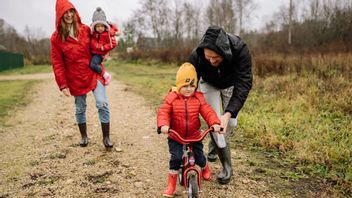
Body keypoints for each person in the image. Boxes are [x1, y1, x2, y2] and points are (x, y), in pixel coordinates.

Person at [189, 25, 253, 184]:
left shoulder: (240, 49)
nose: (211, 61)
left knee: (230, 122)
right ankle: (227, 167)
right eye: (208, 57)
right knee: (216, 124)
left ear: (224, 52)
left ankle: (215, 143)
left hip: (230, 84)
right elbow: (189, 80)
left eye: (215, 57)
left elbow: (244, 83)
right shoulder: (197, 54)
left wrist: (228, 113)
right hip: (208, 83)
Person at [51, 0, 113, 148]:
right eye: (65, 12)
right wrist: (62, 84)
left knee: (102, 103)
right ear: (60, 15)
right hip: (75, 78)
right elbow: (57, 63)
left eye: (71, 11)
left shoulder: (86, 29)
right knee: (80, 108)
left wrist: (105, 52)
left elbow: (102, 37)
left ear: (75, 12)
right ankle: (84, 136)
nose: (69, 15)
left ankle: (106, 138)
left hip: (93, 72)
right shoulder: (56, 38)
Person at [157, 63, 222, 197]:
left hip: (194, 135)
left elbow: (208, 111)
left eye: (192, 86)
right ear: (179, 85)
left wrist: (215, 123)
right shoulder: (172, 98)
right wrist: (163, 125)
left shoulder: (198, 98)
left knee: (199, 156)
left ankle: (205, 167)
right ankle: (171, 184)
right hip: (176, 136)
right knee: (176, 158)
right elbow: (163, 112)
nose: (188, 89)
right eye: (185, 86)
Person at [90, 7, 119, 86]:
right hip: (94, 52)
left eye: (102, 26)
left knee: (93, 64)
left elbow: (113, 43)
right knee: (91, 64)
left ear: (105, 26)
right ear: (94, 27)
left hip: (100, 54)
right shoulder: (93, 34)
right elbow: (91, 42)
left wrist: (103, 47)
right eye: (98, 26)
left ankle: (105, 75)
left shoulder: (107, 34)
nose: (100, 28)